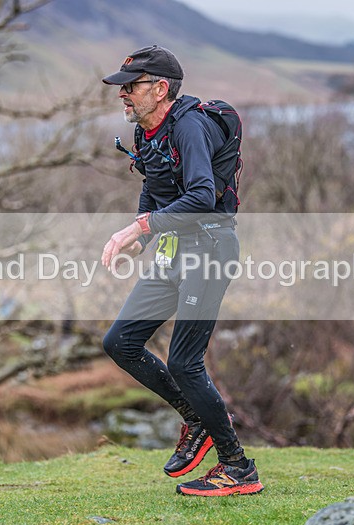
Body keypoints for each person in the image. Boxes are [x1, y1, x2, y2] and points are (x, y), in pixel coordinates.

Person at [100, 45, 263, 496]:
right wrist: (143, 239)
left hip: (209, 247)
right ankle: (196, 419)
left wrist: (138, 227)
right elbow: (153, 193)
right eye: (122, 88)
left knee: (185, 363)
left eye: (130, 87)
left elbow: (202, 196)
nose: (123, 95)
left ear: (160, 88)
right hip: (174, 249)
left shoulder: (189, 127)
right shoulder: (149, 133)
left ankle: (238, 468)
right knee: (121, 342)